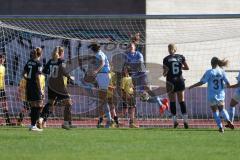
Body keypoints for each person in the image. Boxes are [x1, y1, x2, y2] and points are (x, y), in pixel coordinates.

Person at [189, 57, 234, 133]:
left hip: (212, 94)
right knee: (222, 109)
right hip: (221, 94)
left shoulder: (209, 72)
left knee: (215, 111)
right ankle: (228, 120)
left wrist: (192, 86)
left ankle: (220, 127)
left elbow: (202, 82)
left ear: (211, 63)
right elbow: (228, 84)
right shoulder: (222, 71)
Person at [126, 43, 168, 114]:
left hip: (142, 74)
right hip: (135, 77)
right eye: (129, 46)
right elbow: (127, 66)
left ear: (134, 47)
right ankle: (163, 100)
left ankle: (161, 105)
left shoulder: (138, 54)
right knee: (144, 98)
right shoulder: (127, 56)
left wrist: (131, 66)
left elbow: (139, 65)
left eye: (131, 46)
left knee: (148, 89)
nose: (130, 47)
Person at [41, 46, 74, 130]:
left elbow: (44, 72)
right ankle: (66, 123)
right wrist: (70, 77)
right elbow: (63, 71)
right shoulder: (61, 61)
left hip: (51, 85)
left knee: (50, 103)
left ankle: (41, 119)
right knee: (69, 103)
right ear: (61, 53)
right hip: (59, 86)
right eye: (63, 53)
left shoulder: (50, 61)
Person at [163, 43, 189, 129]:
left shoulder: (166, 59)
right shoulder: (180, 57)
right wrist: (180, 68)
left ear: (168, 49)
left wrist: (165, 73)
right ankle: (185, 121)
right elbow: (187, 67)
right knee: (181, 101)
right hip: (180, 80)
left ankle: (175, 122)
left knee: (172, 101)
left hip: (170, 82)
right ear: (175, 49)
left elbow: (165, 72)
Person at [89, 42, 112, 128]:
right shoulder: (98, 54)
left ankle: (109, 120)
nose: (91, 49)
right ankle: (105, 119)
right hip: (101, 76)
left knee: (103, 99)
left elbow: (102, 63)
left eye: (91, 48)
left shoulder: (99, 54)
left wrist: (96, 71)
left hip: (103, 75)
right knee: (102, 100)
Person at [23, 47, 44, 131]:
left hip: (29, 85)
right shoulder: (39, 63)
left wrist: (28, 79)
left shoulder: (29, 62)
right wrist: (41, 90)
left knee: (33, 105)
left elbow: (23, 73)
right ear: (40, 54)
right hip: (35, 86)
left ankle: (32, 125)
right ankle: (33, 125)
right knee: (39, 104)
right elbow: (37, 77)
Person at [0, 54, 12, 125]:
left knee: (5, 105)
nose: (2, 60)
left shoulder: (3, 68)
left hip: (1, 89)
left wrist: (4, 88)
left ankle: (8, 121)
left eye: (3, 59)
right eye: (1, 58)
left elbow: (3, 79)